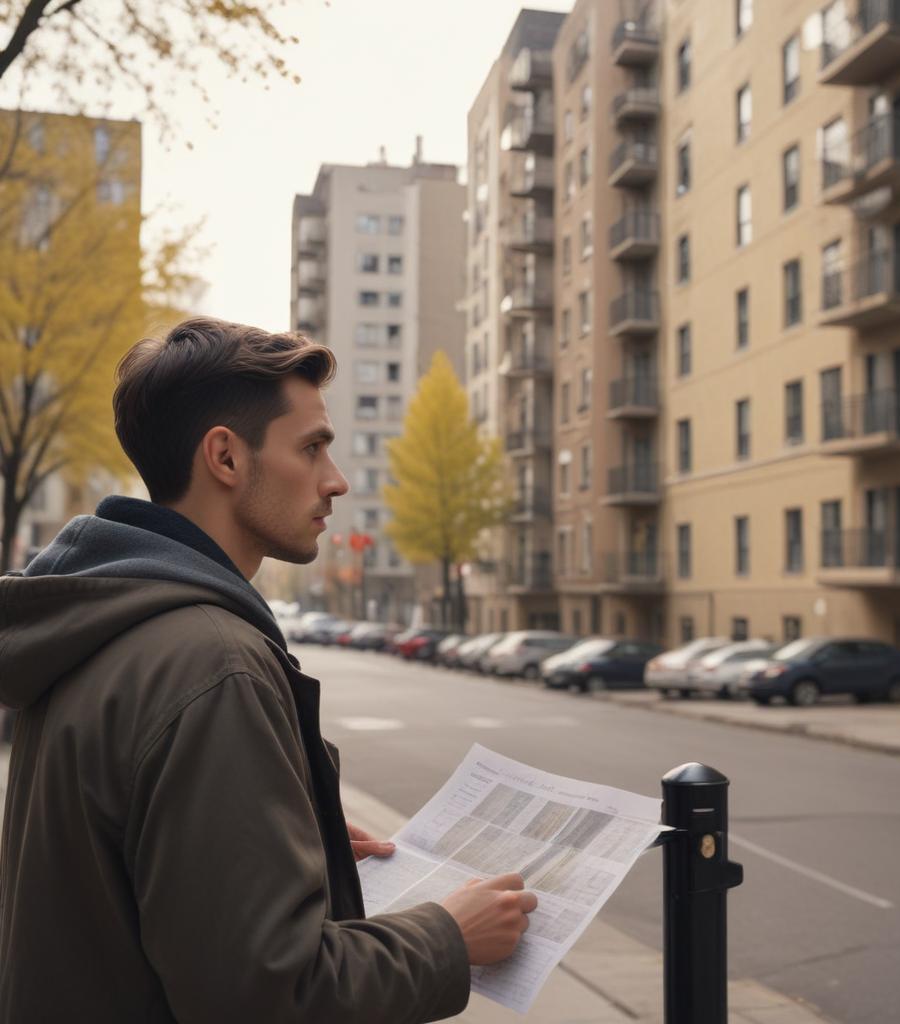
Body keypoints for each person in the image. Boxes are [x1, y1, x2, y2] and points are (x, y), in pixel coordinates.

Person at [0, 317, 536, 1022]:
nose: (335, 481)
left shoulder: (99, 626)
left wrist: (289, 828)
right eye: (312, 448)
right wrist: (449, 937)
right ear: (225, 458)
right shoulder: (215, 664)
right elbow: (268, 995)